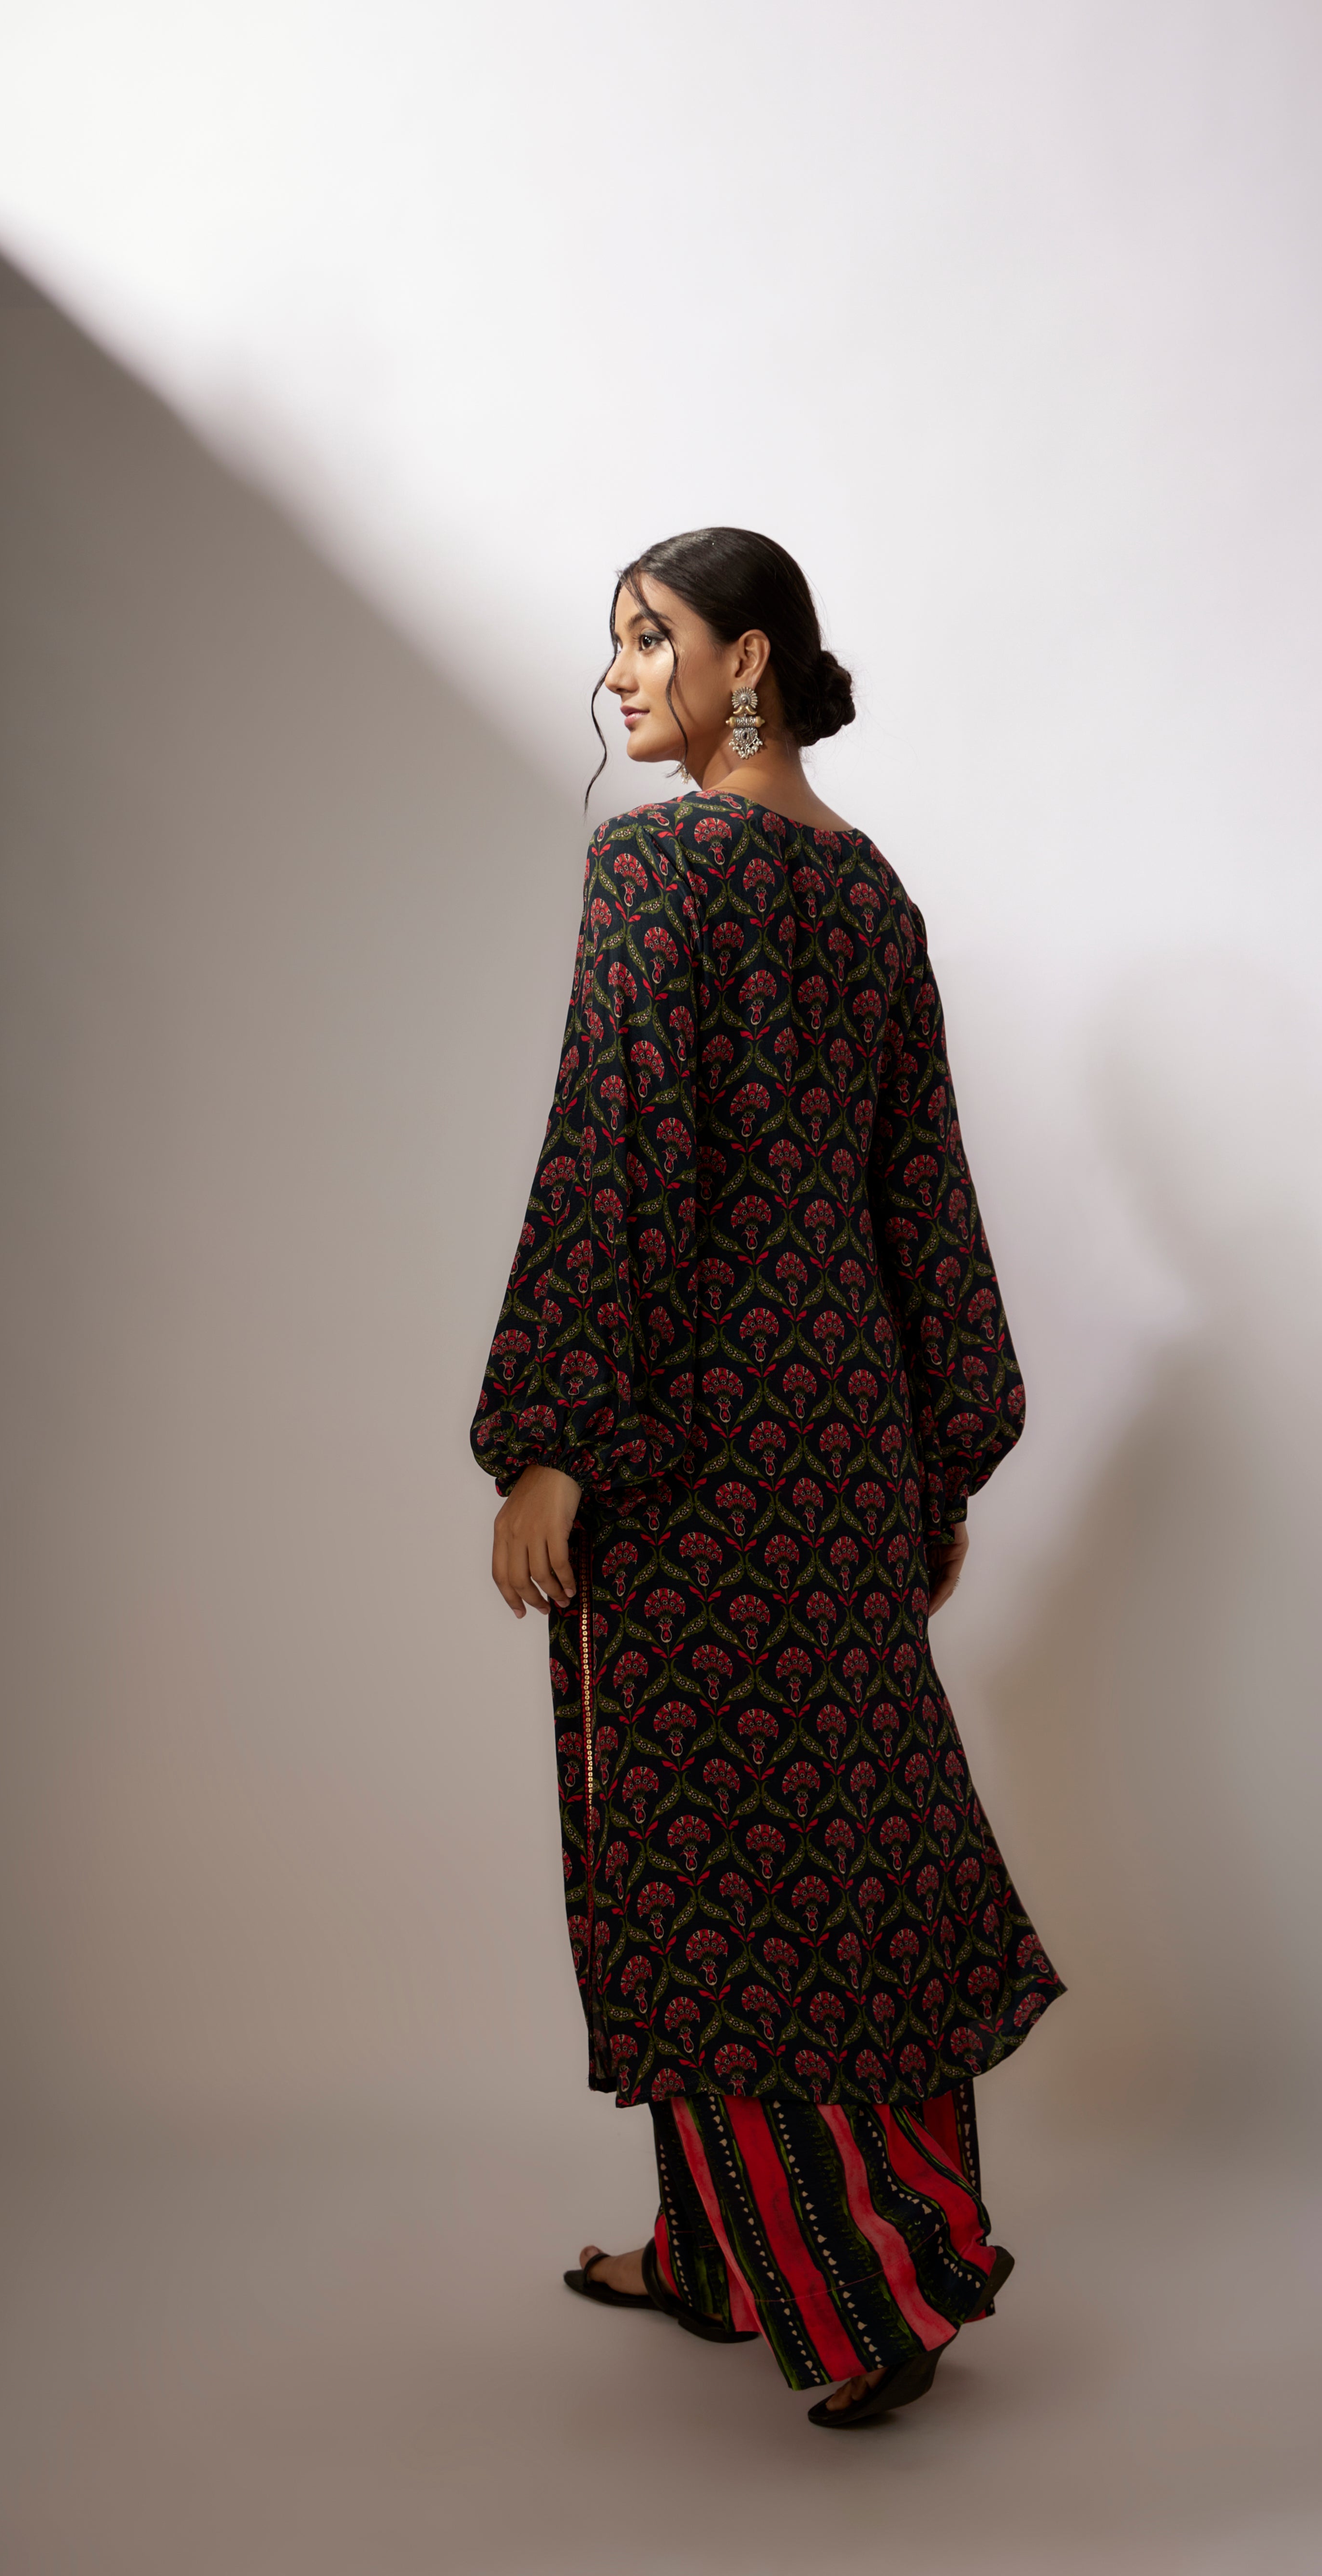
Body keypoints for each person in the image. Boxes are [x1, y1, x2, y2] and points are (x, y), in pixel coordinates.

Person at [470, 526, 1062, 2427]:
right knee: (837, 1838)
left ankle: (873, 2284)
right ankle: (720, 2250)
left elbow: (617, 1148)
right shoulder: (874, 895)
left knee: (706, 1854)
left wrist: (555, 1435)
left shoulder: (656, 871)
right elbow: (923, 1196)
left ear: (750, 661)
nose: (622, 677)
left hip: (694, 1445)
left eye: (650, 641)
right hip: (849, 1438)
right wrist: (939, 1463)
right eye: (615, 649)